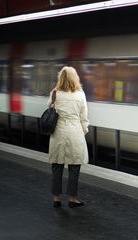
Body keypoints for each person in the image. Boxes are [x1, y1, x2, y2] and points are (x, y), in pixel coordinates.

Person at [48, 66, 89, 208]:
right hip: (75, 132)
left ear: (60, 78)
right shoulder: (80, 94)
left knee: (57, 166)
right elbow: (84, 117)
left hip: (58, 133)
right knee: (74, 167)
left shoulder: (55, 93)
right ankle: (72, 199)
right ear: (75, 78)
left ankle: (56, 199)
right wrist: (83, 131)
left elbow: (49, 109)